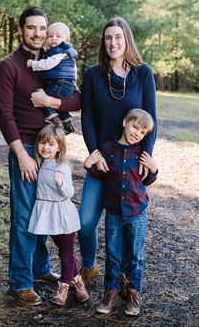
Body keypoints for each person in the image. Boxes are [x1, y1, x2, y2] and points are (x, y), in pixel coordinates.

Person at [0, 7, 81, 306]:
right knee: (23, 218)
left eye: (42, 28)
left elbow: (76, 99)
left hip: (51, 151)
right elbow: (4, 115)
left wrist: (49, 100)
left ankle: (41, 269)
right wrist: (21, 155)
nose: (38, 33)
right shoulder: (9, 66)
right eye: (32, 28)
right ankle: (20, 282)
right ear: (21, 30)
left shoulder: (54, 58)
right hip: (27, 150)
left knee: (44, 213)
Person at [79, 16, 157, 284]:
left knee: (126, 225)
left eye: (118, 37)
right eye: (108, 37)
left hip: (130, 164)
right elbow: (87, 118)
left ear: (127, 40)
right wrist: (94, 152)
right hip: (101, 162)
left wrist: (146, 156)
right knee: (86, 223)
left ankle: (124, 277)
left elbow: (152, 119)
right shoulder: (92, 74)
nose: (113, 42)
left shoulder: (143, 73)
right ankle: (89, 265)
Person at [84, 108, 158, 316]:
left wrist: (154, 169)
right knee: (113, 254)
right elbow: (100, 174)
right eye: (135, 126)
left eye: (142, 132)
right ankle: (110, 293)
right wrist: (89, 166)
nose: (137, 133)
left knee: (135, 256)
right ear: (125, 122)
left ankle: (133, 294)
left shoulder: (142, 153)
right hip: (114, 214)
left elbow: (148, 180)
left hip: (137, 214)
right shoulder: (108, 149)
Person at [28, 124, 89, 306]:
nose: (45, 147)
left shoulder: (61, 167)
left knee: (66, 253)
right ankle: (79, 283)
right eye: (42, 143)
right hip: (47, 214)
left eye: (51, 144)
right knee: (65, 253)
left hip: (62, 214)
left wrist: (61, 183)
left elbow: (70, 192)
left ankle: (63, 288)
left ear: (59, 147)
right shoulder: (39, 163)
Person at [27, 22, 77, 135]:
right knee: (59, 106)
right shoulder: (66, 53)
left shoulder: (60, 52)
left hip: (61, 84)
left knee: (42, 98)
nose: (53, 39)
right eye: (50, 36)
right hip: (67, 85)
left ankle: (55, 120)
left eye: (58, 36)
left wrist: (33, 64)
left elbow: (48, 64)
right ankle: (67, 122)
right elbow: (74, 72)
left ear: (67, 39)